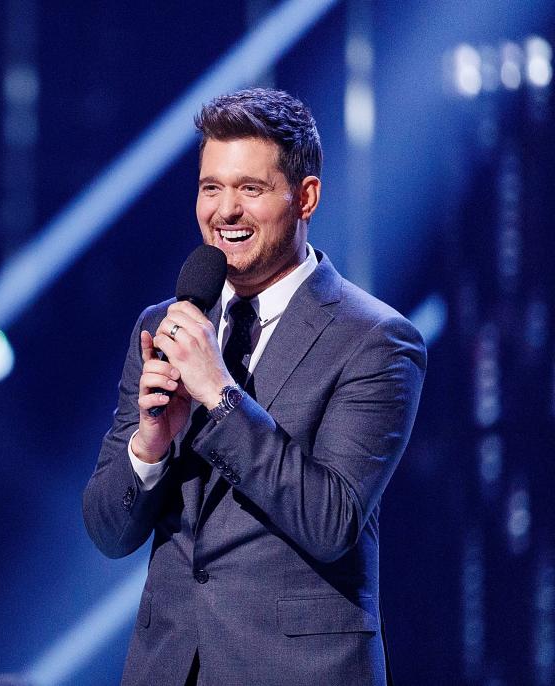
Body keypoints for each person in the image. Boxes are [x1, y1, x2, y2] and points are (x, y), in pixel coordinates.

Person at [82, 88, 426, 685]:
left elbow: (330, 521)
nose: (225, 211)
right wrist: (151, 445)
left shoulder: (376, 341)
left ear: (306, 197)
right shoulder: (166, 326)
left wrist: (220, 397)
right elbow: (109, 531)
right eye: (211, 188)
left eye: (251, 189)